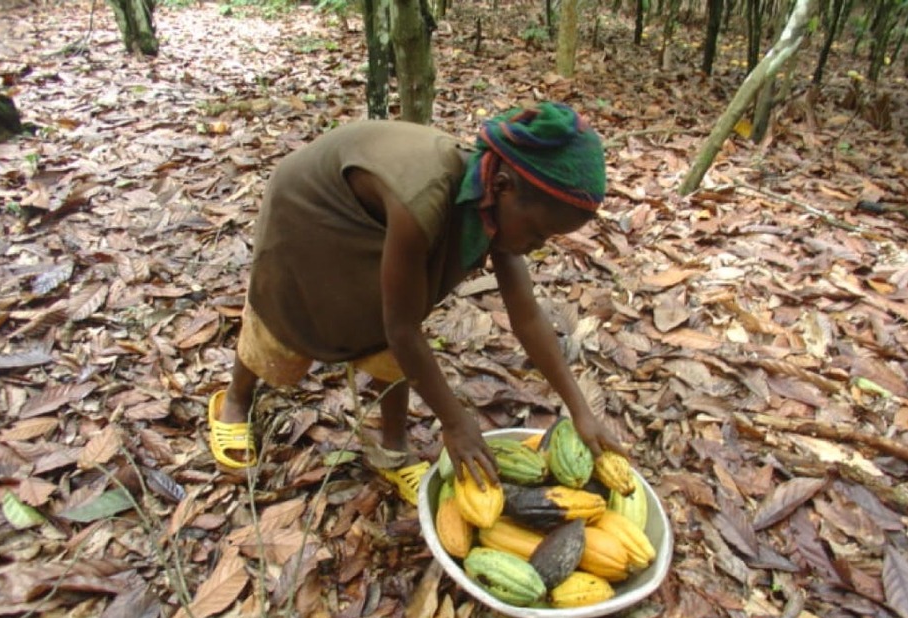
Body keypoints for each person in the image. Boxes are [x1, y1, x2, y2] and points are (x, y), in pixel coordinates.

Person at [207, 101, 625, 504]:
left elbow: (528, 318)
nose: (534, 248)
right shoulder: (424, 198)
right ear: (502, 187)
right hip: (311, 199)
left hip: (382, 215)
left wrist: (580, 410)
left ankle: (394, 447)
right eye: (537, 233)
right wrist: (455, 422)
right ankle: (237, 399)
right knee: (287, 309)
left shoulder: (495, 197)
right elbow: (403, 329)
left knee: (386, 316)